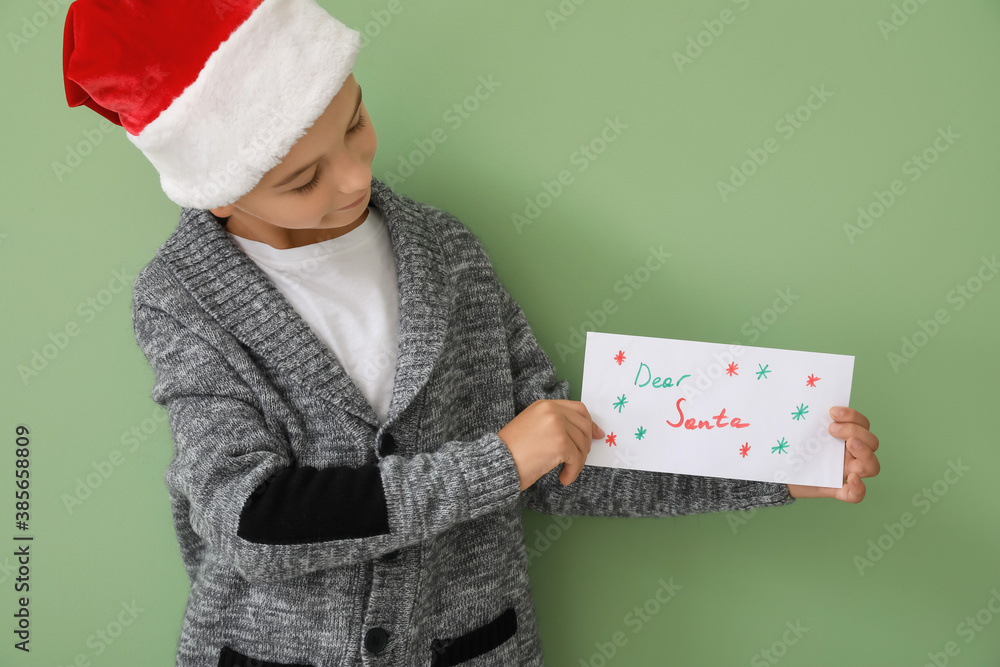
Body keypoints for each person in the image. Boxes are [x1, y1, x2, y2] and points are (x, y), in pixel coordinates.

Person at [62, 1, 880, 665]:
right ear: (219, 193)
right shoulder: (183, 298)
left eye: (355, 123)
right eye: (303, 178)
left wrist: (780, 463)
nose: (354, 177)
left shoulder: (445, 254)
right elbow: (248, 518)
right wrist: (496, 462)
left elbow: (564, 455)